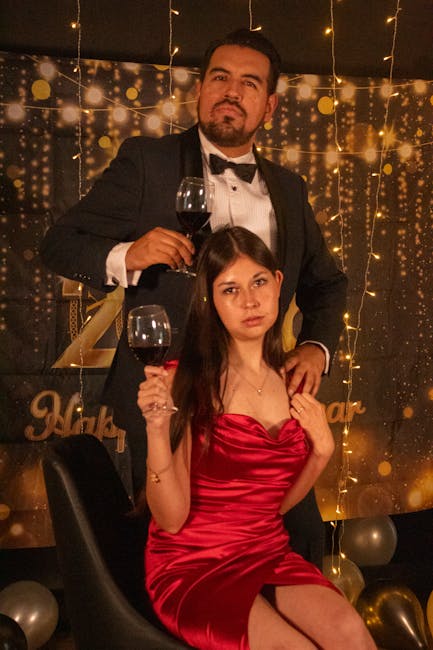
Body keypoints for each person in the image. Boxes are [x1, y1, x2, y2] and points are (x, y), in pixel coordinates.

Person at [39, 28, 347, 566]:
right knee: (182, 551)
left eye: (250, 83)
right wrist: (129, 254)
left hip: (265, 402)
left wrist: (315, 348)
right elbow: (59, 245)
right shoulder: (148, 162)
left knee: (293, 542)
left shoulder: (289, 189)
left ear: (270, 105)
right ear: (200, 89)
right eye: (220, 78)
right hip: (170, 397)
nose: (232, 92)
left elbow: (327, 283)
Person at [137, 226, 374, 650]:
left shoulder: (292, 379)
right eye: (230, 289)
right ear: (211, 300)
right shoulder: (186, 381)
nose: (250, 301)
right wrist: (156, 429)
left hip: (266, 552)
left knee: (351, 633)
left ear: (279, 283)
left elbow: (273, 505)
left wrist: (322, 452)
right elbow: (171, 520)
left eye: (259, 282)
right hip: (194, 564)